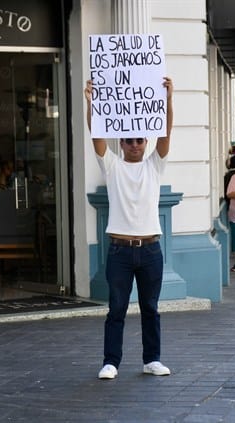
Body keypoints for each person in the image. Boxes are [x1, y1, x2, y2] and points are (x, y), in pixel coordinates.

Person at [84, 77, 174, 380]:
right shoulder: (112, 166)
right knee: (116, 309)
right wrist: (91, 102)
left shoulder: (154, 165)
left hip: (150, 249)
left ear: (144, 143)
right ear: (120, 143)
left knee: (151, 307)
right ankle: (111, 362)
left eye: (139, 140)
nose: (135, 144)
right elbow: (96, 134)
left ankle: (152, 359)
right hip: (120, 249)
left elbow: (166, 133)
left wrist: (168, 99)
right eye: (129, 140)